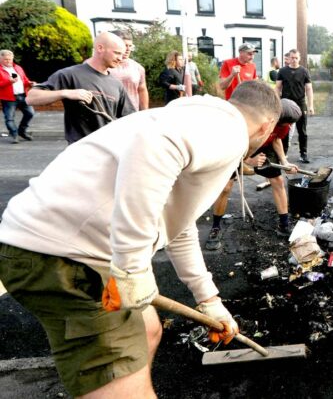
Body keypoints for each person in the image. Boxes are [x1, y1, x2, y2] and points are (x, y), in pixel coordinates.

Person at [0, 80, 281, 398]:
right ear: (267, 126)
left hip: (47, 243)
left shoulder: (197, 118)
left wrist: (209, 300)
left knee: (147, 329)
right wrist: (132, 266)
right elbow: (155, 143)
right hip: (68, 259)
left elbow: (178, 225)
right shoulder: (227, 130)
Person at [27, 31, 135, 144]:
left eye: (122, 54)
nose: (121, 58)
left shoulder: (116, 84)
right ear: (100, 48)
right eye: (117, 53)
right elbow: (31, 97)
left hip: (108, 149)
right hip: (80, 150)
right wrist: (65, 93)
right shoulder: (70, 74)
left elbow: (130, 119)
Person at [251, 99, 302, 236]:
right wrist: (249, 160)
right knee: (227, 186)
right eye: (289, 122)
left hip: (264, 145)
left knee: (278, 181)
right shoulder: (257, 123)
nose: (291, 126)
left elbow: (276, 139)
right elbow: (240, 143)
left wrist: (284, 162)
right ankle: (216, 226)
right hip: (246, 145)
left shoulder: (284, 125)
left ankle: (284, 224)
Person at [275, 49, 314, 164]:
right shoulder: (282, 71)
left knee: (302, 130)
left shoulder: (304, 71)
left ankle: (303, 154)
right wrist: (277, 102)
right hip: (286, 104)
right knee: (285, 130)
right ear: (289, 58)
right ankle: (284, 154)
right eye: (292, 57)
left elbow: (309, 89)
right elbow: (277, 87)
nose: (294, 60)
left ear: (299, 58)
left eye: (296, 58)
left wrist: (311, 105)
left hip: (300, 103)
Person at [0, 49, 36, 143]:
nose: (8, 61)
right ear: (1, 59)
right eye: (5, 59)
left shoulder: (18, 67)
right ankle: (14, 135)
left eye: (10, 59)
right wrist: (9, 81)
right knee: (9, 118)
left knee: (30, 113)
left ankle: (22, 131)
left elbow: (24, 79)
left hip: (22, 95)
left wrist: (29, 83)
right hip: (9, 98)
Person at [109, 30, 149, 111]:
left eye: (130, 46)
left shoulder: (138, 67)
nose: (128, 49)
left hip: (132, 113)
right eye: (124, 45)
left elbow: (142, 90)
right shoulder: (104, 66)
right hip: (109, 112)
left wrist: (145, 112)